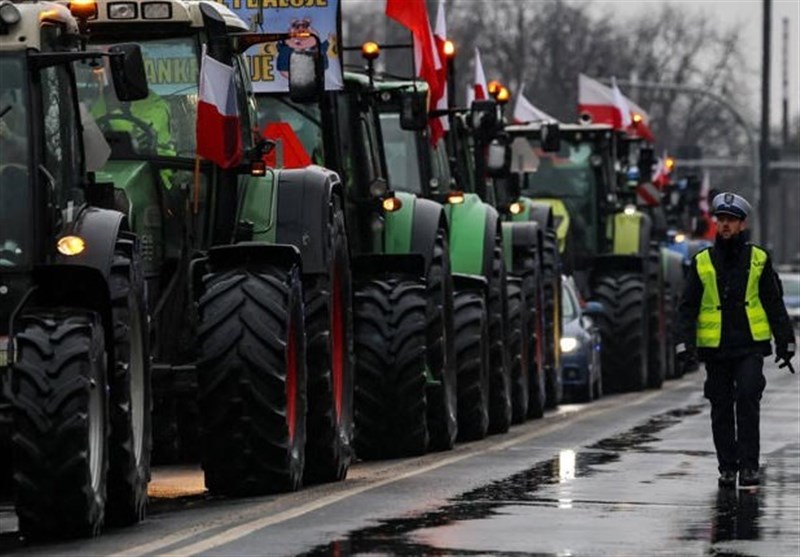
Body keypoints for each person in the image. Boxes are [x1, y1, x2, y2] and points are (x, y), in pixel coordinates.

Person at [676, 192, 796, 488]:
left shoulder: (758, 259)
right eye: (722, 220)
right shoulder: (702, 261)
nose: (725, 225)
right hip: (715, 349)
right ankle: (728, 467)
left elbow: (773, 302)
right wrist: (684, 344)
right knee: (720, 407)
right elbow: (687, 307)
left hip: (749, 347)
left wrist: (786, 342)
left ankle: (750, 467)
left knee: (747, 399)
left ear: (742, 224)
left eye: (731, 220)